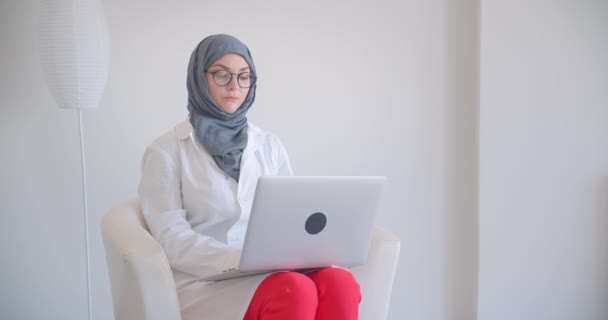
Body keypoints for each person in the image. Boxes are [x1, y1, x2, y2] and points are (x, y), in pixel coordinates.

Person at [138, 34, 361, 320]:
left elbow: (291, 216)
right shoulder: (166, 151)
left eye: (244, 77)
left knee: (339, 283)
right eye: (222, 75)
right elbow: (172, 238)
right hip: (204, 282)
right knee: (294, 289)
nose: (235, 86)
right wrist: (240, 260)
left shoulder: (269, 144)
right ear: (198, 77)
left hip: (272, 271)